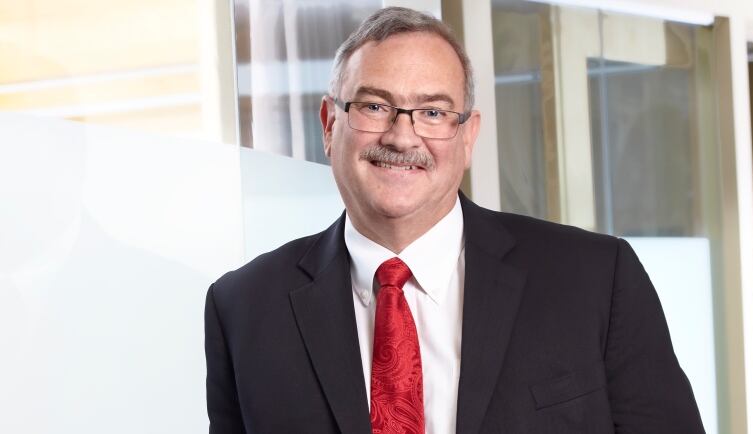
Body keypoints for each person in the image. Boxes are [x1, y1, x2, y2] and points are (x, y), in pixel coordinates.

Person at [205, 7, 705, 434]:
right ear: (330, 125)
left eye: (433, 112)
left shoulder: (596, 279)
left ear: (468, 137)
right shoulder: (244, 309)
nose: (402, 137)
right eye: (375, 106)